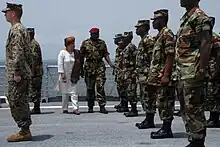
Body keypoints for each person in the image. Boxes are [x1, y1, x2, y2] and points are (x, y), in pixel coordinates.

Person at [176, 0, 212, 146]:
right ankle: (193, 138)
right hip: (183, 71)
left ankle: (198, 141)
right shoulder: (186, 18)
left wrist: (202, 68)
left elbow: (206, 42)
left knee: (194, 107)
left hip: (193, 70)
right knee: (186, 108)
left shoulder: (200, 17)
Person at [2, 2, 33, 142]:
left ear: (13, 13)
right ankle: (24, 129)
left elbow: (18, 53)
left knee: (16, 101)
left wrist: (17, 72)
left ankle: (24, 130)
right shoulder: (20, 29)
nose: (5, 14)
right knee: (18, 100)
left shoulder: (16, 30)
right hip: (21, 73)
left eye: (6, 12)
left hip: (18, 75)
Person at [147, 9, 175, 139]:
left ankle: (167, 129)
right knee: (161, 102)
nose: (153, 23)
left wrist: (166, 75)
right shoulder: (159, 36)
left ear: (162, 20)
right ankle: (164, 128)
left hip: (163, 76)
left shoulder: (167, 34)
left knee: (166, 102)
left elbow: (170, 55)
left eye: (155, 20)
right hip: (157, 76)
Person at [80, 27, 114, 114]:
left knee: (100, 86)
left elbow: (105, 54)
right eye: (93, 34)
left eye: (96, 34)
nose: (95, 35)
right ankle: (90, 106)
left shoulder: (102, 43)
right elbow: (81, 56)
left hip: (99, 66)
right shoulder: (85, 43)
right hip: (89, 67)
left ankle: (102, 106)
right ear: (90, 34)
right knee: (90, 88)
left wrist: (110, 63)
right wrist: (80, 68)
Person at [134, 20, 155, 128]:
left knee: (148, 97)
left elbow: (153, 59)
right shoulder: (142, 41)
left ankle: (150, 120)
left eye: (139, 27)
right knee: (143, 97)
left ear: (145, 28)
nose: (136, 29)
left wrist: (151, 74)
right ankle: (148, 118)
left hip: (147, 75)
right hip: (142, 75)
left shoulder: (148, 40)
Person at [57, 36, 80, 115]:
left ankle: (75, 108)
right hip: (65, 75)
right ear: (67, 45)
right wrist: (62, 73)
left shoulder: (76, 53)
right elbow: (60, 64)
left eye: (74, 44)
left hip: (73, 75)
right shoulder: (62, 53)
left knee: (74, 92)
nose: (73, 45)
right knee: (65, 93)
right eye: (71, 44)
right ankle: (65, 108)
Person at [205, 16, 220, 128]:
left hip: (214, 70)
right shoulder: (206, 37)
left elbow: (219, 55)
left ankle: (215, 118)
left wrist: (217, 71)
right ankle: (212, 117)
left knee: (214, 94)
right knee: (210, 95)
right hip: (208, 70)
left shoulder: (215, 38)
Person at [121, 31, 138, 117]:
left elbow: (136, 60)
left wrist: (135, 71)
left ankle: (134, 109)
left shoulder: (131, 47)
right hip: (126, 73)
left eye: (125, 37)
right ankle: (132, 108)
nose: (123, 39)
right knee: (128, 91)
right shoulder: (126, 47)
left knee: (132, 92)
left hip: (131, 73)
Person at [27, 28, 44, 115]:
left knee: (35, 90)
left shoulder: (33, 44)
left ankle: (36, 107)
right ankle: (36, 107)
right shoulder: (30, 44)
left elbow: (34, 60)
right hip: (35, 71)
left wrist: (32, 72)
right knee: (34, 89)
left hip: (35, 72)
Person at [113, 34, 129, 112]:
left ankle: (125, 105)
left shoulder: (124, 48)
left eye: (116, 39)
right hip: (118, 73)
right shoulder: (118, 49)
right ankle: (122, 103)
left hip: (124, 73)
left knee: (123, 89)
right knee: (120, 89)